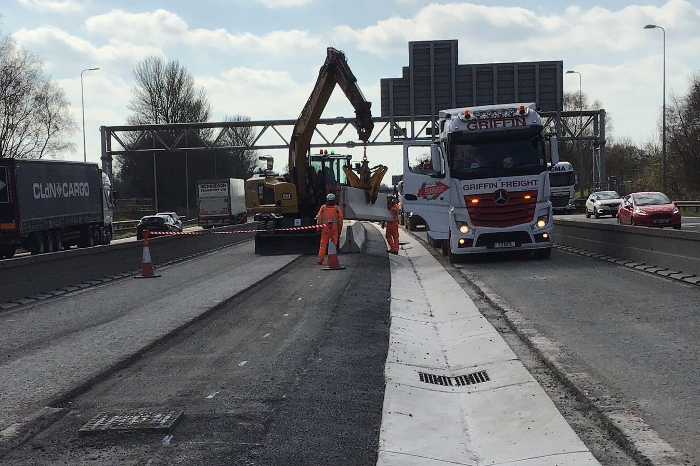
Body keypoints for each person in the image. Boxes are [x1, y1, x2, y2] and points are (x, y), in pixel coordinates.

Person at [316, 193, 343, 265]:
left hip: (325, 230)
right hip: (334, 230)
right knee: (333, 245)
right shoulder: (337, 209)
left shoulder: (323, 208)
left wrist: (318, 228)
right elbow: (340, 221)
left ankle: (320, 260)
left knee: (323, 245)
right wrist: (339, 230)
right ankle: (332, 260)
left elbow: (319, 219)